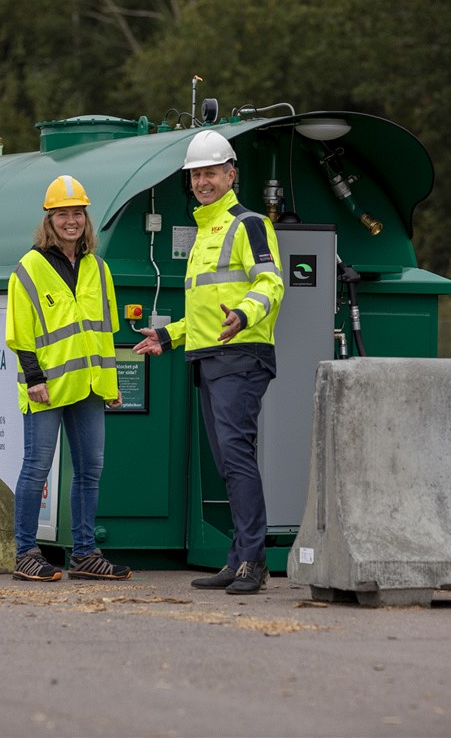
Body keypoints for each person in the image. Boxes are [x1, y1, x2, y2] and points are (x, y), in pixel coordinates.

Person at [133, 130, 283, 594]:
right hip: (210, 356)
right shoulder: (204, 230)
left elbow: (273, 283)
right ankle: (237, 557)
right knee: (226, 463)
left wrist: (243, 314)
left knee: (236, 458)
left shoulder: (248, 224)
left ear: (231, 174)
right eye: (196, 174)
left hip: (241, 355)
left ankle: (253, 562)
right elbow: (204, 312)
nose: (203, 181)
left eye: (211, 172)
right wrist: (168, 335)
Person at [5, 174, 131, 582]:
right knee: (37, 467)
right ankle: (25, 552)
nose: (71, 220)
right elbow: (19, 331)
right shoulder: (30, 267)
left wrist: (111, 386)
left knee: (90, 469)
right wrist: (34, 377)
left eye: (77, 213)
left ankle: (84, 554)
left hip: (90, 387)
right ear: (49, 220)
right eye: (62, 213)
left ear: (85, 219)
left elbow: (105, 332)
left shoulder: (98, 268)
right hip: (47, 385)